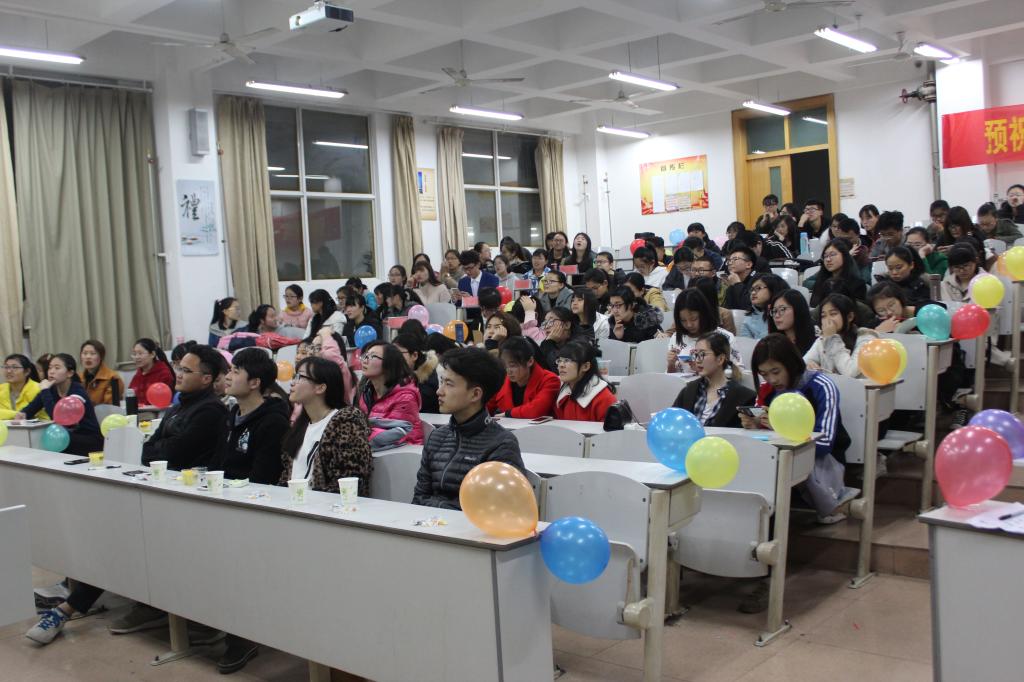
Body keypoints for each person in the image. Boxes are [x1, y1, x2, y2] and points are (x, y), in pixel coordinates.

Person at [744, 334, 856, 524]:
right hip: (776, 457)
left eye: (776, 371)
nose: (771, 379)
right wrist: (754, 425)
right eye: (764, 374)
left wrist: (781, 428)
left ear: (791, 364)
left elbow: (824, 443)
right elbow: (761, 439)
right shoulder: (766, 389)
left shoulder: (821, 386)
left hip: (820, 461)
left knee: (787, 459)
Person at [413, 347, 524, 509]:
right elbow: (419, 498)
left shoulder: (501, 444)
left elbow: (497, 511)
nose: (439, 391)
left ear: (475, 394)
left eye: (449, 384)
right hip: (431, 522)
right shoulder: (437, 437)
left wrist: (441, 511)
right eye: (441, 381)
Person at [280, 356, 372, 493]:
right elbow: (287, 477)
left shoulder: (346, 421)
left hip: (326, 504)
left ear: (320, 387)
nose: (292, 382)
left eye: (300, 377)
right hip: (294, 501)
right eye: (294, 376)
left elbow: (349, 480)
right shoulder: (301, 426)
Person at [141, 344, 229, 469]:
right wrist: (165, 445)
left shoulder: (212, 410)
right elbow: (146, 451)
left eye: (186, 371)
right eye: (179, 368)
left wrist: (160, 445)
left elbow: (177, 454)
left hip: (193, 479)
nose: (179, 375)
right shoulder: (175, 408)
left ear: (206, 379)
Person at [218, 347, 290, 484]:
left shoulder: (274, 423)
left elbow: (262, 478)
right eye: (230, 370)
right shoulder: (229, 417)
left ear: (254, 383)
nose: (227, 377)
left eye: (235, 372)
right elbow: (216, 464)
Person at [16, 353, 103, 455]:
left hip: (89, 441)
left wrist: (44, 390)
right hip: (67, 438)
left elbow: (57, 418)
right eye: (50, 368)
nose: (51, 371)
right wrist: (23, 414)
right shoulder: (51, 389)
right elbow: (31, 409)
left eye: (57, 368)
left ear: (70, 373)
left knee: (51, 439)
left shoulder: (77, 393)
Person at [672, 332, 756, 427]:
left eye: (702, 354)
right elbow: (673, 421)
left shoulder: (745, 397)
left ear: (720, 359)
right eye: (695, 354)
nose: (697, 360)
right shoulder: (689, 390)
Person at [357, 341, 424, 450]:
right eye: (365, 356)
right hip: (375, 451)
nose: (365, 360)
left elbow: (395, 437)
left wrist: (356, 433)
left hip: (403, 455)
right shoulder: (367, 392)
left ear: (389, 364)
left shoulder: (405, 397)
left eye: (372, 356)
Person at [666, 289, 741, 374]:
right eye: (683, 320)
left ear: (704, 314)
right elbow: (671, 377)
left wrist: (706, 369)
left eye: (694, 319)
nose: (689, 325)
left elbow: (738, 373)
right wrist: (671, 365)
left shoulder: (724, 337)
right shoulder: (676, 337)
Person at [803, 294, 878, 377]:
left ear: (850, 317)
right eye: (823, 316)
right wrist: (809, 364)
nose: (828, 319)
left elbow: (850, 372)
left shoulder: (866, 337)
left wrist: (832, 338)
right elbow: (803, 363)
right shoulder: (823, 338)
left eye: (833, 314)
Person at [489, 336, 560, 418]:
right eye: (504, 365)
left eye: (513, 365)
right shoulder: (502, 381)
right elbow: (487, 406)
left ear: (530, 361)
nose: (508, 371)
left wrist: (508, 414)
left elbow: (536, 410)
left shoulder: (550, 380)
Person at [553, 341, 616, 422]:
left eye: (567, 360)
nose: (561, 365)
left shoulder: (603, 397)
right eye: (559, 360)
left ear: (585, 366)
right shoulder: (560, 390)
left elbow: (611, 429)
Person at [806, 239, 867, 306]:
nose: (828, 259)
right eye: (825, 256)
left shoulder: (858, 284)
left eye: (832, 254)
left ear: (844, 256)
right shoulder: (821, 281)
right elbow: (814, 305)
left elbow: (858, 308)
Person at [392, 331, 440, 413]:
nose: (393, 358)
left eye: (398, 353)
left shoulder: (429, 381)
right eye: (391, 353)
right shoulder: (398, 373)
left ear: (414, 355)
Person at [740, 273, 789, 339]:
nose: (753, 293)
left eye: (758, 288)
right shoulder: (749, 319)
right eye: (752, 289)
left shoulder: (787, 313)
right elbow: (745, 343)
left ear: (773, 288)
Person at [767, 290, 817, 355]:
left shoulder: (817, 341)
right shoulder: (771, 344)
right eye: (774, 311)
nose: (777, 315)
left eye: (782, 309)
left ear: (798, 309)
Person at [456, 250, 499, 322]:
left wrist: (471, 300)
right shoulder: (462, 282)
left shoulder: (491, 279)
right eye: (464, 268)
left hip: (488, 319)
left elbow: (492, 301)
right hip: (468, 320)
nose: (467, 271)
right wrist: (456, 299)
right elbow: (459, 305)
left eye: (470, 268)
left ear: (478, 264)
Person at [78, 340, 124, 406]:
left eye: (93, 353)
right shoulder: (78, 378)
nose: (88, 357)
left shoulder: (113, 378)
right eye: (85, 353)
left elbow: (109, 406)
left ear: (101, 356)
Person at [1, 354, 44, 419]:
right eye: (6, 367)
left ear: (27, 372)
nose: (9, 371)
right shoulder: (1, 388)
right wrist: (17, 414)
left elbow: (44, 418)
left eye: (15, 367)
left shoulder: (38, 389)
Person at [723, 246, 758, 311]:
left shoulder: (759, 281)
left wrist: (737, 284)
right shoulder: (732, 282)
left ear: (748, 264)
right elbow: (729, 310)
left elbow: (751, 307)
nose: (730, 263)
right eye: (729, 260)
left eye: (735, 259)